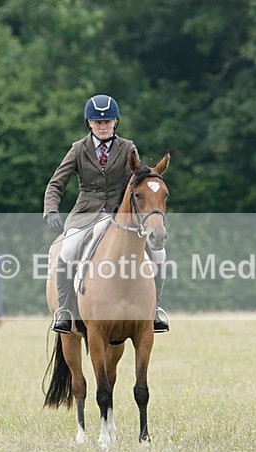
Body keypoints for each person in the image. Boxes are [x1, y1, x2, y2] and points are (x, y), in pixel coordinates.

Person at [43, 94, 169, 334]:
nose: (103, 126)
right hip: (85, 214)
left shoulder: (127, 147)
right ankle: (65, 311)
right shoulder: (78, 149)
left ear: (115, 122)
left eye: (108, 122)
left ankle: (154, 310)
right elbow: (55, 184)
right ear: (89, 123)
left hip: (119, 216)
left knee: (159, 251)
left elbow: (137, 181)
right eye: (98, 122)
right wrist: (51, 210)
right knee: (68, 250)